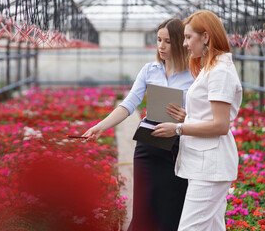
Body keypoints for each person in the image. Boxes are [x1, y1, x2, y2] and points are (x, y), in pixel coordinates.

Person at [83, 18, 194, 231]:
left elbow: (204, 114)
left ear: (181, 42)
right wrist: (100, 127)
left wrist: (186, 117)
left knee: (172, 206)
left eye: (168, 41)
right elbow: (128, 104)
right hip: (148, 145)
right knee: (144, 208)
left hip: (177, 145)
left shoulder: (194, 74)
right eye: (159, 40)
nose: (161, 46)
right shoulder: (150, 70)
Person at [151, 10, 242, 231]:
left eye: (188, 37)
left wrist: (178, 128)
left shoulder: (220, 72)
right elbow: (210, 117)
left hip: (210, 167)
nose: (184, 44)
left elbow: (220, 126)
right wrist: (188, 117)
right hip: (205, 165)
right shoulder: (210, 68)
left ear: (206, 37)